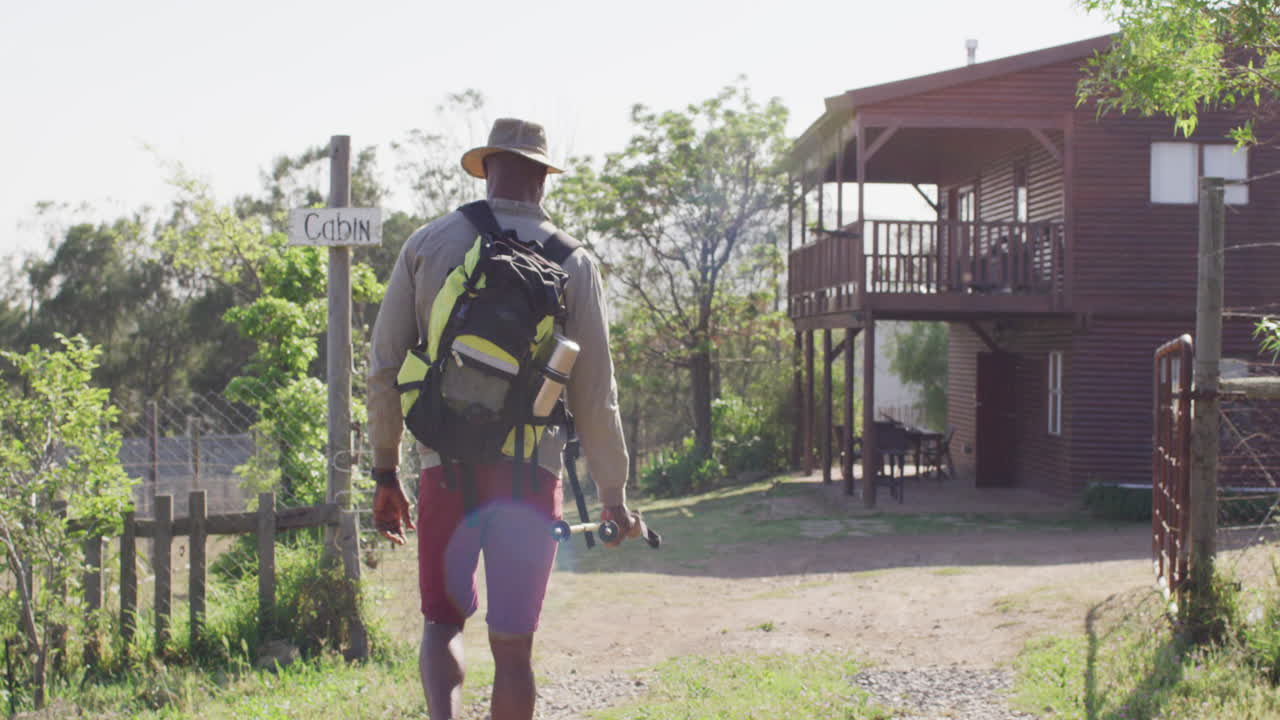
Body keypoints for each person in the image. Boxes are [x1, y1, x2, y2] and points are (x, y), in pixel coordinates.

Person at [366, 117, 632, 720]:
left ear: (487, 170)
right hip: (530, 475)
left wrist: (386, 473)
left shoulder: (429, 244)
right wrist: (614, 496)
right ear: (543, 179)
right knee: (513, 646)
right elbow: (596, 394)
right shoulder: (575, 262)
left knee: (441, 622)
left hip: (444, 464)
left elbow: (383, 367)